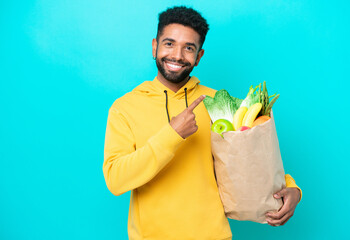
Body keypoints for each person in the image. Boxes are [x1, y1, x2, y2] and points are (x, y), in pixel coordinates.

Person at [103, 6, 302, 240]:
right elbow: (116, 180)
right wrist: (172, 134)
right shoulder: (125, 108)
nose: (177, 55)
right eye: (169, 44)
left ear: (199, 56)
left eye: (189, 48)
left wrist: (293, 188)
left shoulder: (219, 104)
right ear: (155, 46)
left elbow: (255, 157)